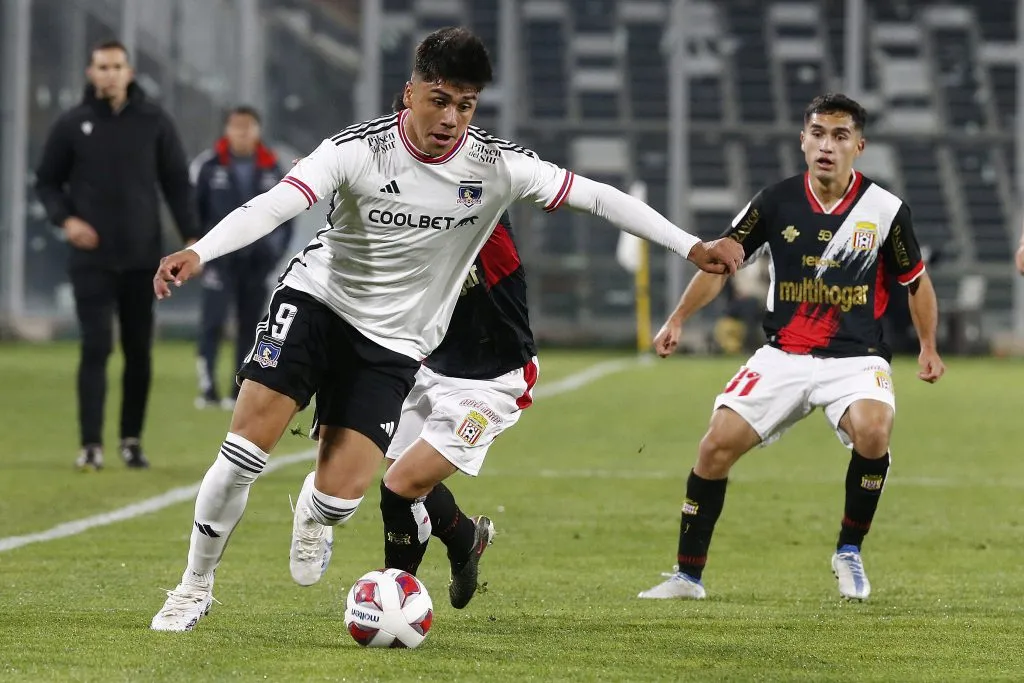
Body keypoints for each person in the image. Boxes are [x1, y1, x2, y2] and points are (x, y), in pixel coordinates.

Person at [149, 26, 744, 632]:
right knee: (244, 451)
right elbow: (278, 202)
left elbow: (598, 197)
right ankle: (193, 587)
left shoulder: (495, 166)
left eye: (465, 104)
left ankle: (314, 508)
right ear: (409, 95)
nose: (452, 117)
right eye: (439, 99)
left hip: (395, 342)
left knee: (340, 500)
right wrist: (202, 250)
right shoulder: (357, 150)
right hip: (318, 301)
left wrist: (689, 245)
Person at [638, 93, 945, 602]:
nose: (827, 145)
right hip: (783, 355)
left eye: (840, 136)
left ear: (859, 146)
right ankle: (687, 577)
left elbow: (916, 281)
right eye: (818, 133)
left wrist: (929, 346)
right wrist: (678, 318)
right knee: (714, 447)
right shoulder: (774, 201)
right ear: (803, 140)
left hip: (856, 358)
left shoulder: (885, 210)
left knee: (874, 430)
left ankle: (849, 550)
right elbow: (721, 261)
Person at [289, 209, 530, 612]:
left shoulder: (485, 216)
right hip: (428, 367)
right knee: (405, 479)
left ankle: (393, 603)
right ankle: (465, 539)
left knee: (399, 485)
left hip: (492, 381)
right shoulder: (403, 226)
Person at [35, 39, 199, 471]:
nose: (110, 74)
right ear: (91, 73)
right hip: (91, 260)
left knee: (138, 350)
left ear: (129, 72)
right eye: (102, 67)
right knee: (96, 346)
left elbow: (177, 186)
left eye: (117, 66)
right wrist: (66, 221)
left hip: (142, 259)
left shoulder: (155, 122)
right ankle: (91, 444)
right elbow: (47, 182)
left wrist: (194, 244)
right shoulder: (73, 124)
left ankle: (131, 440)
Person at [190, 106, 294, 410]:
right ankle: (207, 387)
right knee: (213, 322)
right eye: (236, 127)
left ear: (258, 130)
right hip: (219, 261)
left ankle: (239, 388)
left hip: (257, 262)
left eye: (248, 127)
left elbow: (287, 215)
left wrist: (274, 252)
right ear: (226, 130)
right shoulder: (208, 166)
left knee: (252, 325)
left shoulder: (273, 167)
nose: (242, 133)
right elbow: (193, 211)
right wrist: (197, 249)